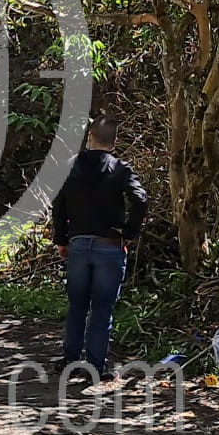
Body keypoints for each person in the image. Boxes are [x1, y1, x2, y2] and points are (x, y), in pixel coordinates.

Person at [51, 114, 148, 382]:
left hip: (79, 245)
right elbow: (140, 199)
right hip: (109, 246)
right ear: (114, 142)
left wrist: (61, 240)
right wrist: (129, 233)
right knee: (102, 308)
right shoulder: (119, 169)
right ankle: (96, 366)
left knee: (77, 305)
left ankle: (70, 359)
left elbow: (58, 206)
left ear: (89, 138)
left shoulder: (69, 166)